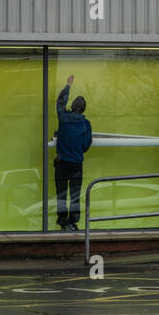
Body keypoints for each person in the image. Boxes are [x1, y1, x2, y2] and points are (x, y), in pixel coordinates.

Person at [54, 75, 92, 231]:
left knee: (61, 192)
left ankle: (62, 220)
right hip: (76, 163)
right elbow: (86, 144)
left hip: (61, 161)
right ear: (83, 110)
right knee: (75, 194)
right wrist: (77, 149)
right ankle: (73, 222)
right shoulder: (85, 124)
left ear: (73, 106)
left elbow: (60, 102)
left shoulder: (63, 118)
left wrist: (68, 86)